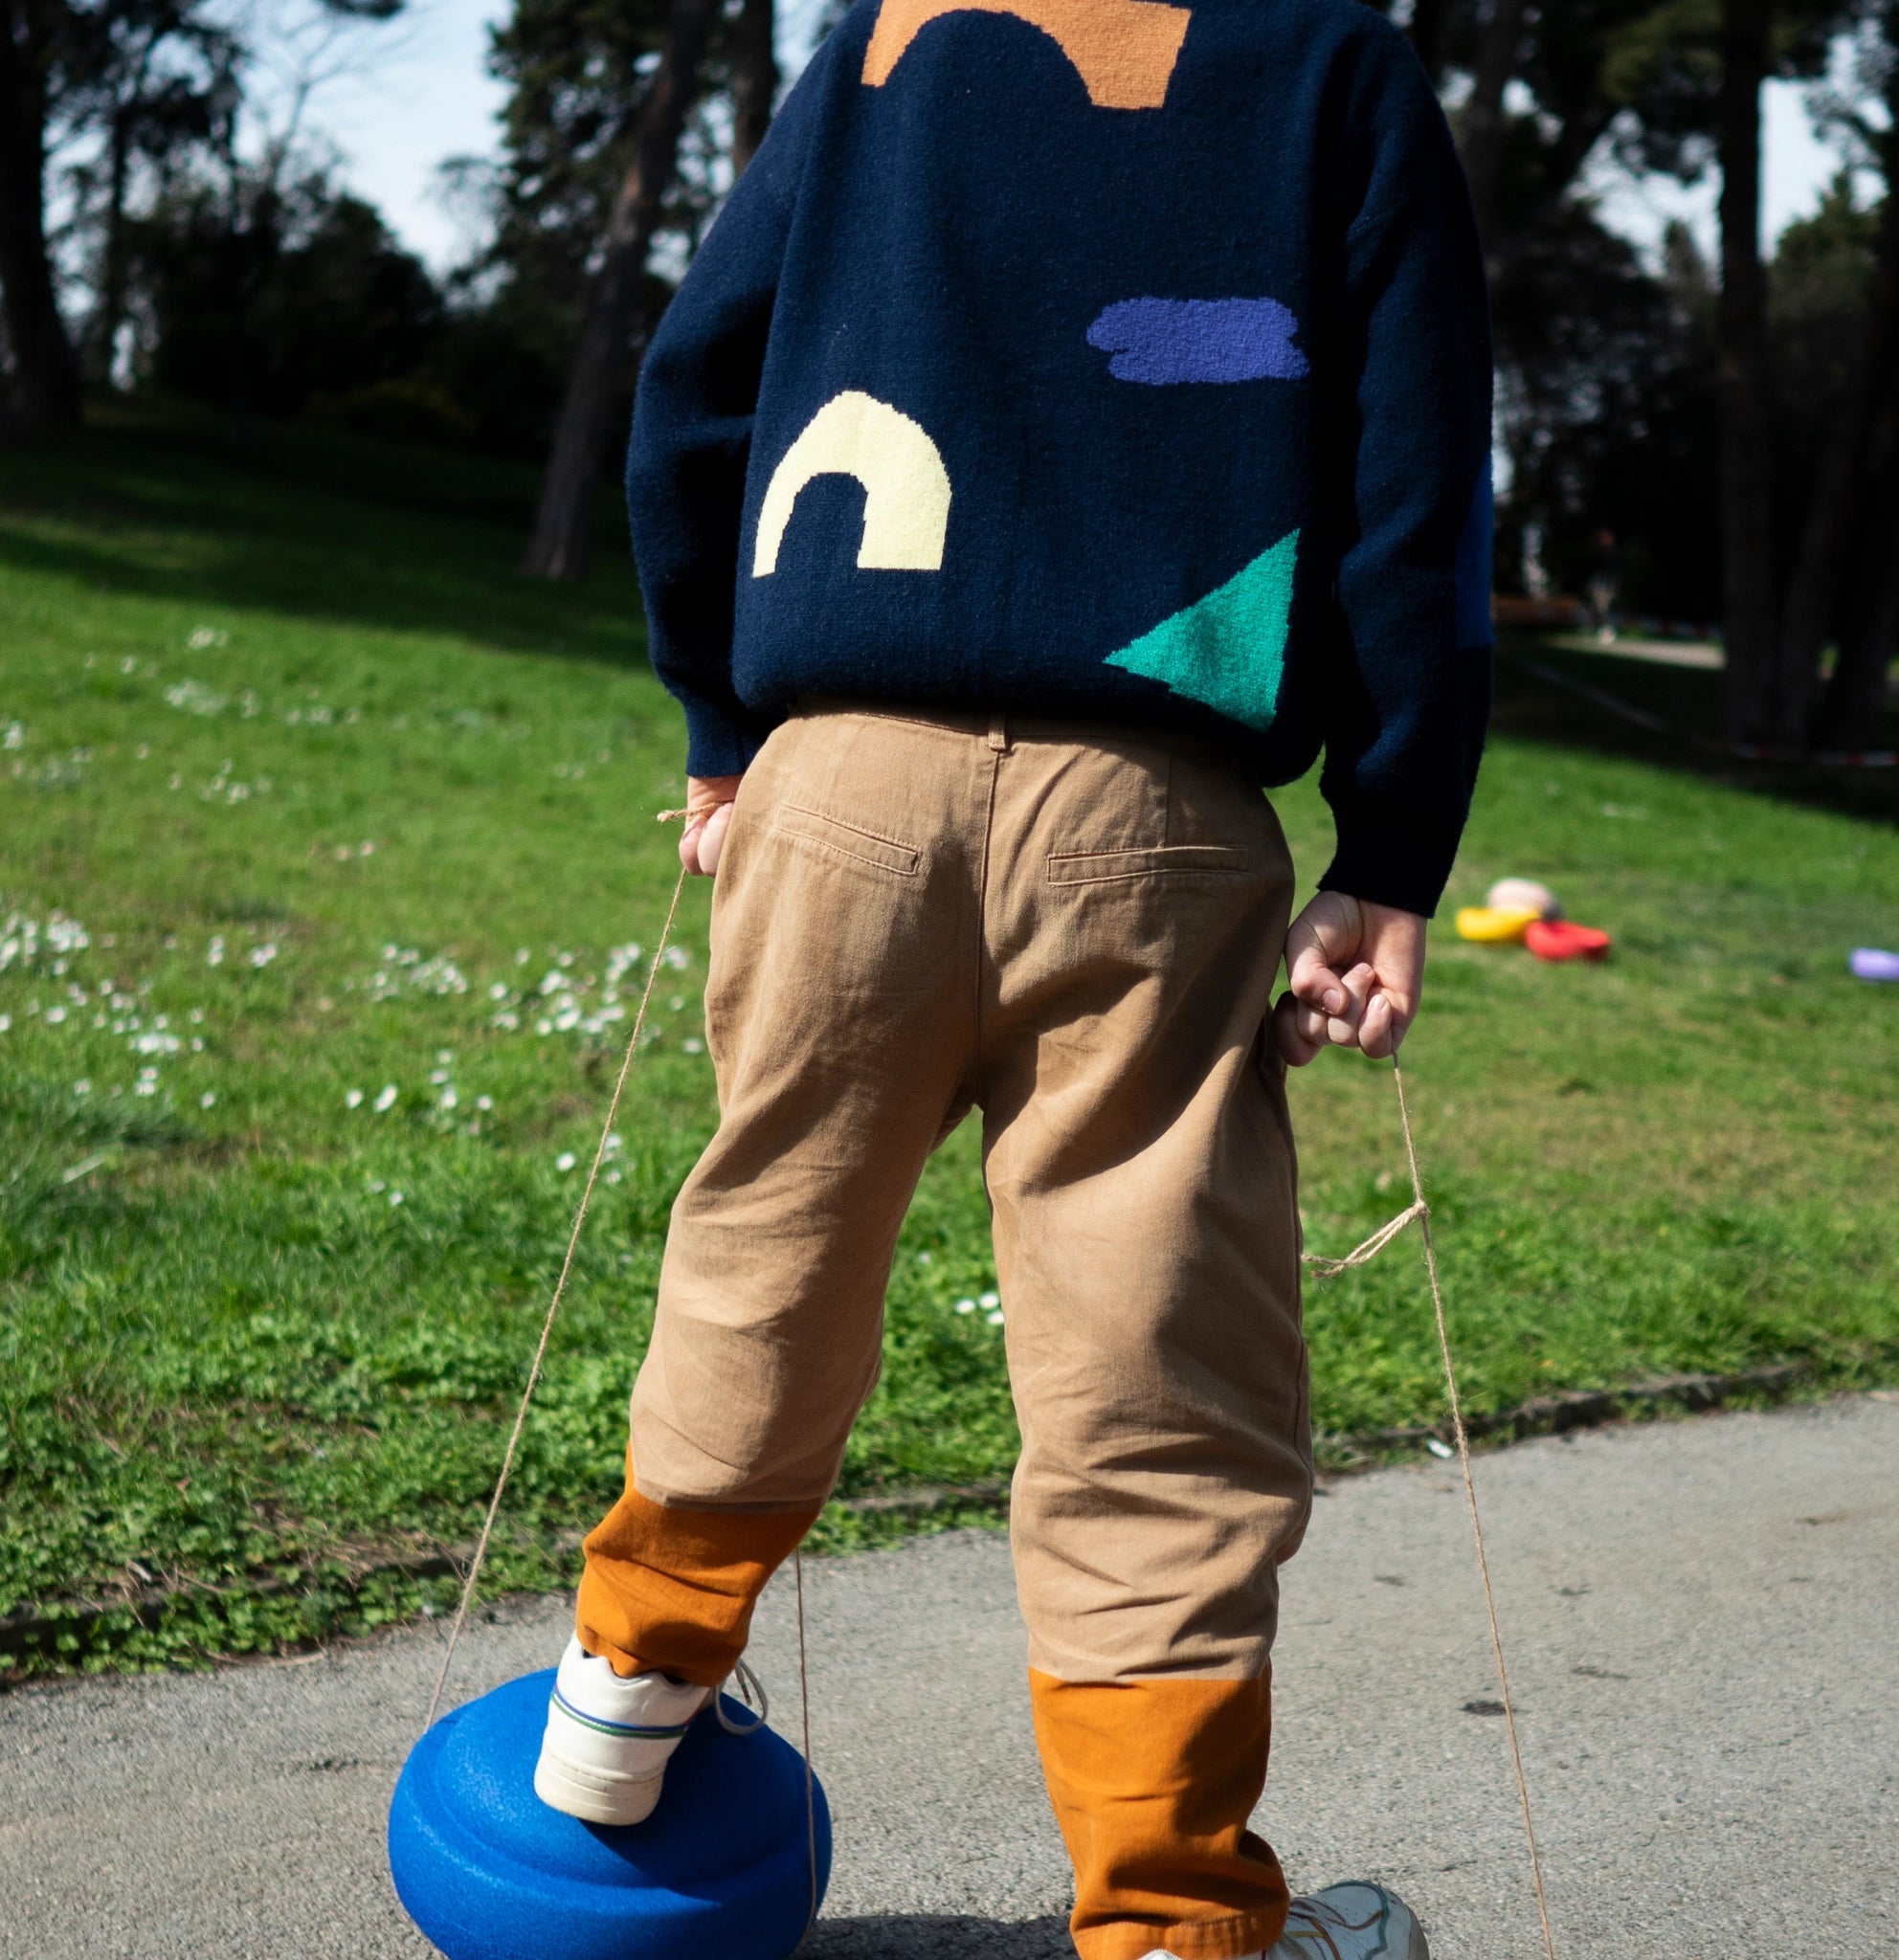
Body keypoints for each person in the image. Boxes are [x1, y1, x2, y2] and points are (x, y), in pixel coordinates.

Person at [534, 4, 1492, 1957]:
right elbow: (1412, 485)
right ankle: (1166, 1921)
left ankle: (622, 1701)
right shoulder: (1336, 66)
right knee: (1152, 1373)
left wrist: (723, 720)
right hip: (1154, 811)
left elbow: (694, 382)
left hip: (837, 779)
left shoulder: (894, 37)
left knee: (766, 1245)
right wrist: (1389, 851)